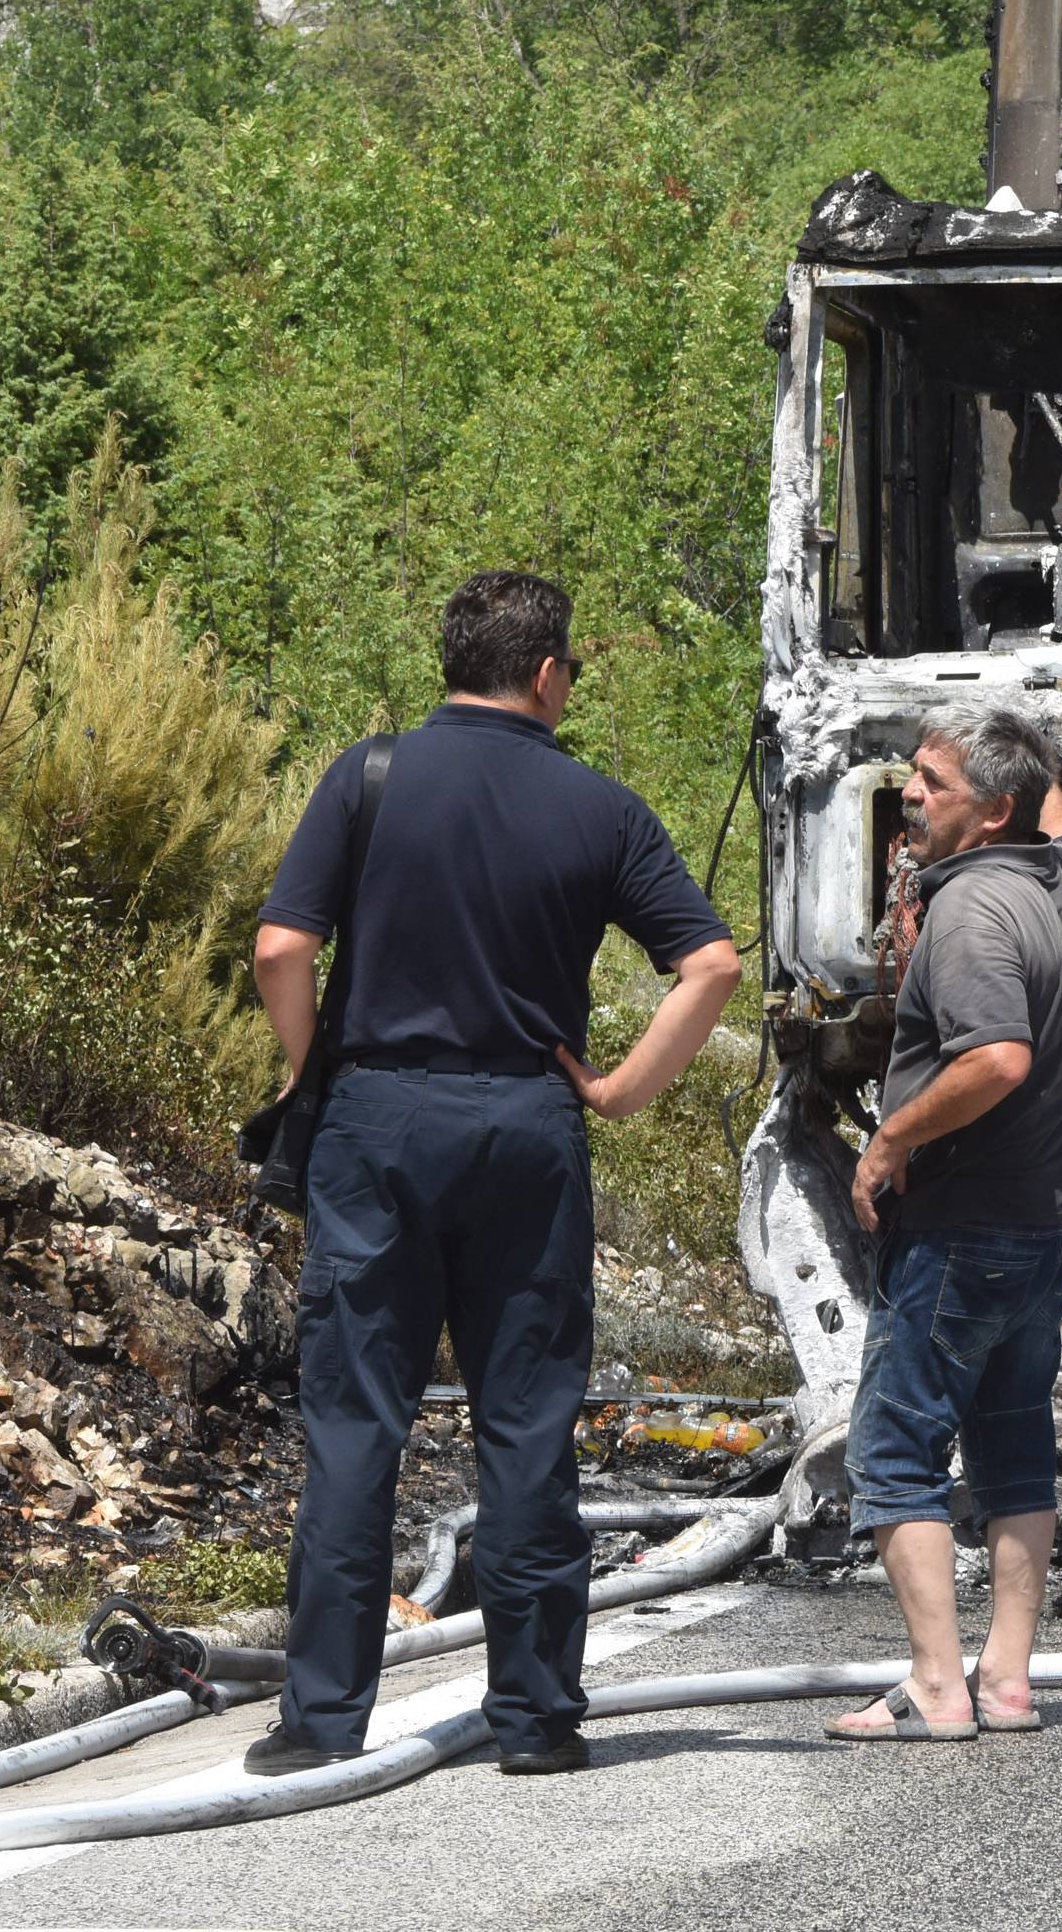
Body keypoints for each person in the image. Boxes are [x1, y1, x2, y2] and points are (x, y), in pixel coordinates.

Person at [247, 570, 740, 1778]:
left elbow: (279, 947)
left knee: (358, 1421)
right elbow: (713, 966)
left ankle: (320, 1724)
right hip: (527, 1123)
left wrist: (324, 1070)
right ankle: (534, 1721)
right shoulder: (601, 808)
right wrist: (620, 1089)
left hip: (376, 1121)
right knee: (527, 1425)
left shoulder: (369, 776)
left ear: (454, 662)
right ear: (550, 675)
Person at [828, 701, 1062, 1744]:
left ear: (991, 814)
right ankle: (1009, 1683)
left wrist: (890, 1140)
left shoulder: (975, 914)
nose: (910, 792)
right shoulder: (1060, 878)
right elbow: (1061, 810)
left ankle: (939, 1688)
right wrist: (1024, 723)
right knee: (1015, 1448)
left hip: (959, 1230)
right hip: (1043, 1227)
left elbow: (996, 1060)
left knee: (894, 1451)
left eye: (934, 783)